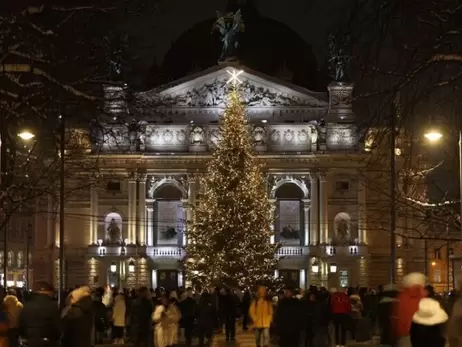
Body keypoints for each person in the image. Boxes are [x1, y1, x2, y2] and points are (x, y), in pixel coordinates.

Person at [18, 281, 61, 347]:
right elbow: (57, 326)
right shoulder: (52, 306)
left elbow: (21, 323)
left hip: (29, 341)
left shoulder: (27, 304)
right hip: (47, 342)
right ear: (50, 292)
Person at [393, 272, 426, 347]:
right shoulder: (423, 297)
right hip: (421, 333)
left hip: (405, 334)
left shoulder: (401, 297)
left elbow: (398, 317)